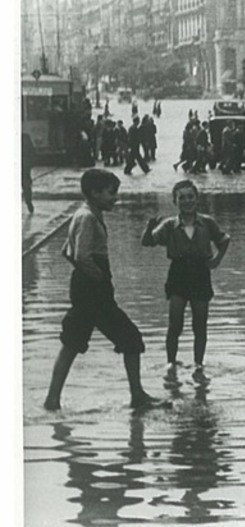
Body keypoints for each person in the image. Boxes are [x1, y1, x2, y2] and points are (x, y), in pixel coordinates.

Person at [43, 169, 156, 410]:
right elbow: (81, 255)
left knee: (72, 342)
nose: (115, 198)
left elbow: (66, 251)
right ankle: (137, 396)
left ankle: (52, 400)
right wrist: (100, 278)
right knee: (131, 339)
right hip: (93, 290)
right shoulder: (88, 218)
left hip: (84, 288)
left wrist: (90, 277)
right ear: (95, 193)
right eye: (111, 193)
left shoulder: (86, 214)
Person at [142, 180, 231, 369]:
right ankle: (171, 364)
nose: (187, 201)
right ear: (175, 202)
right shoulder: (169, 225)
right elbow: (148, 242)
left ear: (197, 199)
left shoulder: (207, 223)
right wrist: (149, 228)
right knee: (175, 323)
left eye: (191, 197)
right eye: (182, 198)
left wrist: (217, 259)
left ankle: (199, 365)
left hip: (201, 273)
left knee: (200, 324)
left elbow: (224, 239)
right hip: (178, 273)